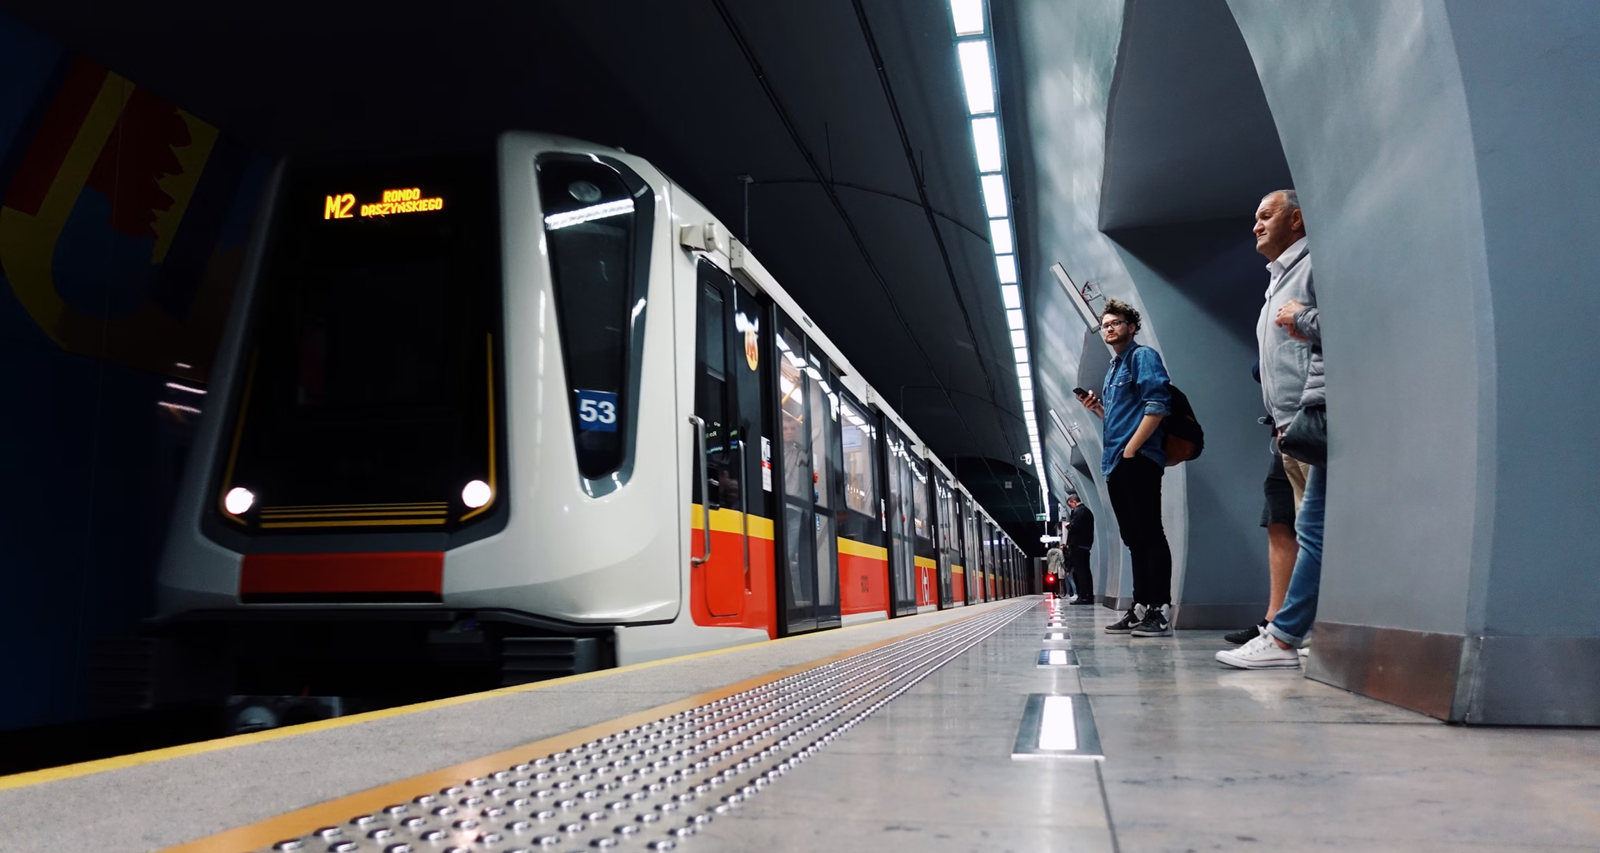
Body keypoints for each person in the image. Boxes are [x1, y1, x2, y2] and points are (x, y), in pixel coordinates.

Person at [1218, 220, 1327, 669]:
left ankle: (1289, 635)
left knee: (1315, 529)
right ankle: (1290, 631)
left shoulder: (1315, 264)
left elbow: (1347, 323)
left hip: (1312, 419)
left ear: (1296, 219)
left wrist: (1299, 319)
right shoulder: (1277, 281)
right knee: (1299, 527)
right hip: (1287, 426)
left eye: (1267, 214)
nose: (1256, 224)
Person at [1077, 298, 1174, 638]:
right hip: (1116, 462)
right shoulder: (1113, 370)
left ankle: (1160, 609)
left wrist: (1133, 449)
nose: (1109, 328)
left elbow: (1158, 404)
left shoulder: (1142, 357)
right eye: (1105, 325)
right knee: (1133, 537)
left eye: (1116, 323)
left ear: (1131, 327)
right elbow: (1120, 419)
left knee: (1150, 533)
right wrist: (1097, 410)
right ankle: (1141, 606)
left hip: (1138, 459)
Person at [1064, 494, 1096, 605]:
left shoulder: (1078, 511)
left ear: (1074, 501)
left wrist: (1068, 526)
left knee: (1080, 572)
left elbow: (1075, 527)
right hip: (1086, 545)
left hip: (1078, 545)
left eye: (1070, 505)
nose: (1071, 507)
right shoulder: (1087, 511)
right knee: (1086, 571)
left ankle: (1083, 596)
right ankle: (1089, 595)